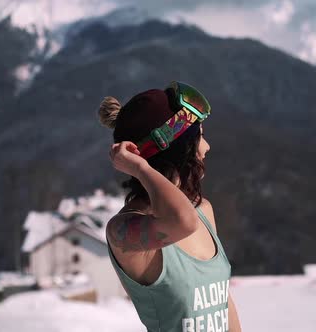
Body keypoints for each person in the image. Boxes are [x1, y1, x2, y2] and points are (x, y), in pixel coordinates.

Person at [98, 81, 242, 332]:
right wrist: (140, 167)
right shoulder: (123, 230)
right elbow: (183, 223)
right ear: (179, 149)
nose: (206, 147)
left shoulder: (203, 210)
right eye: (200, 137)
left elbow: (224, 303)